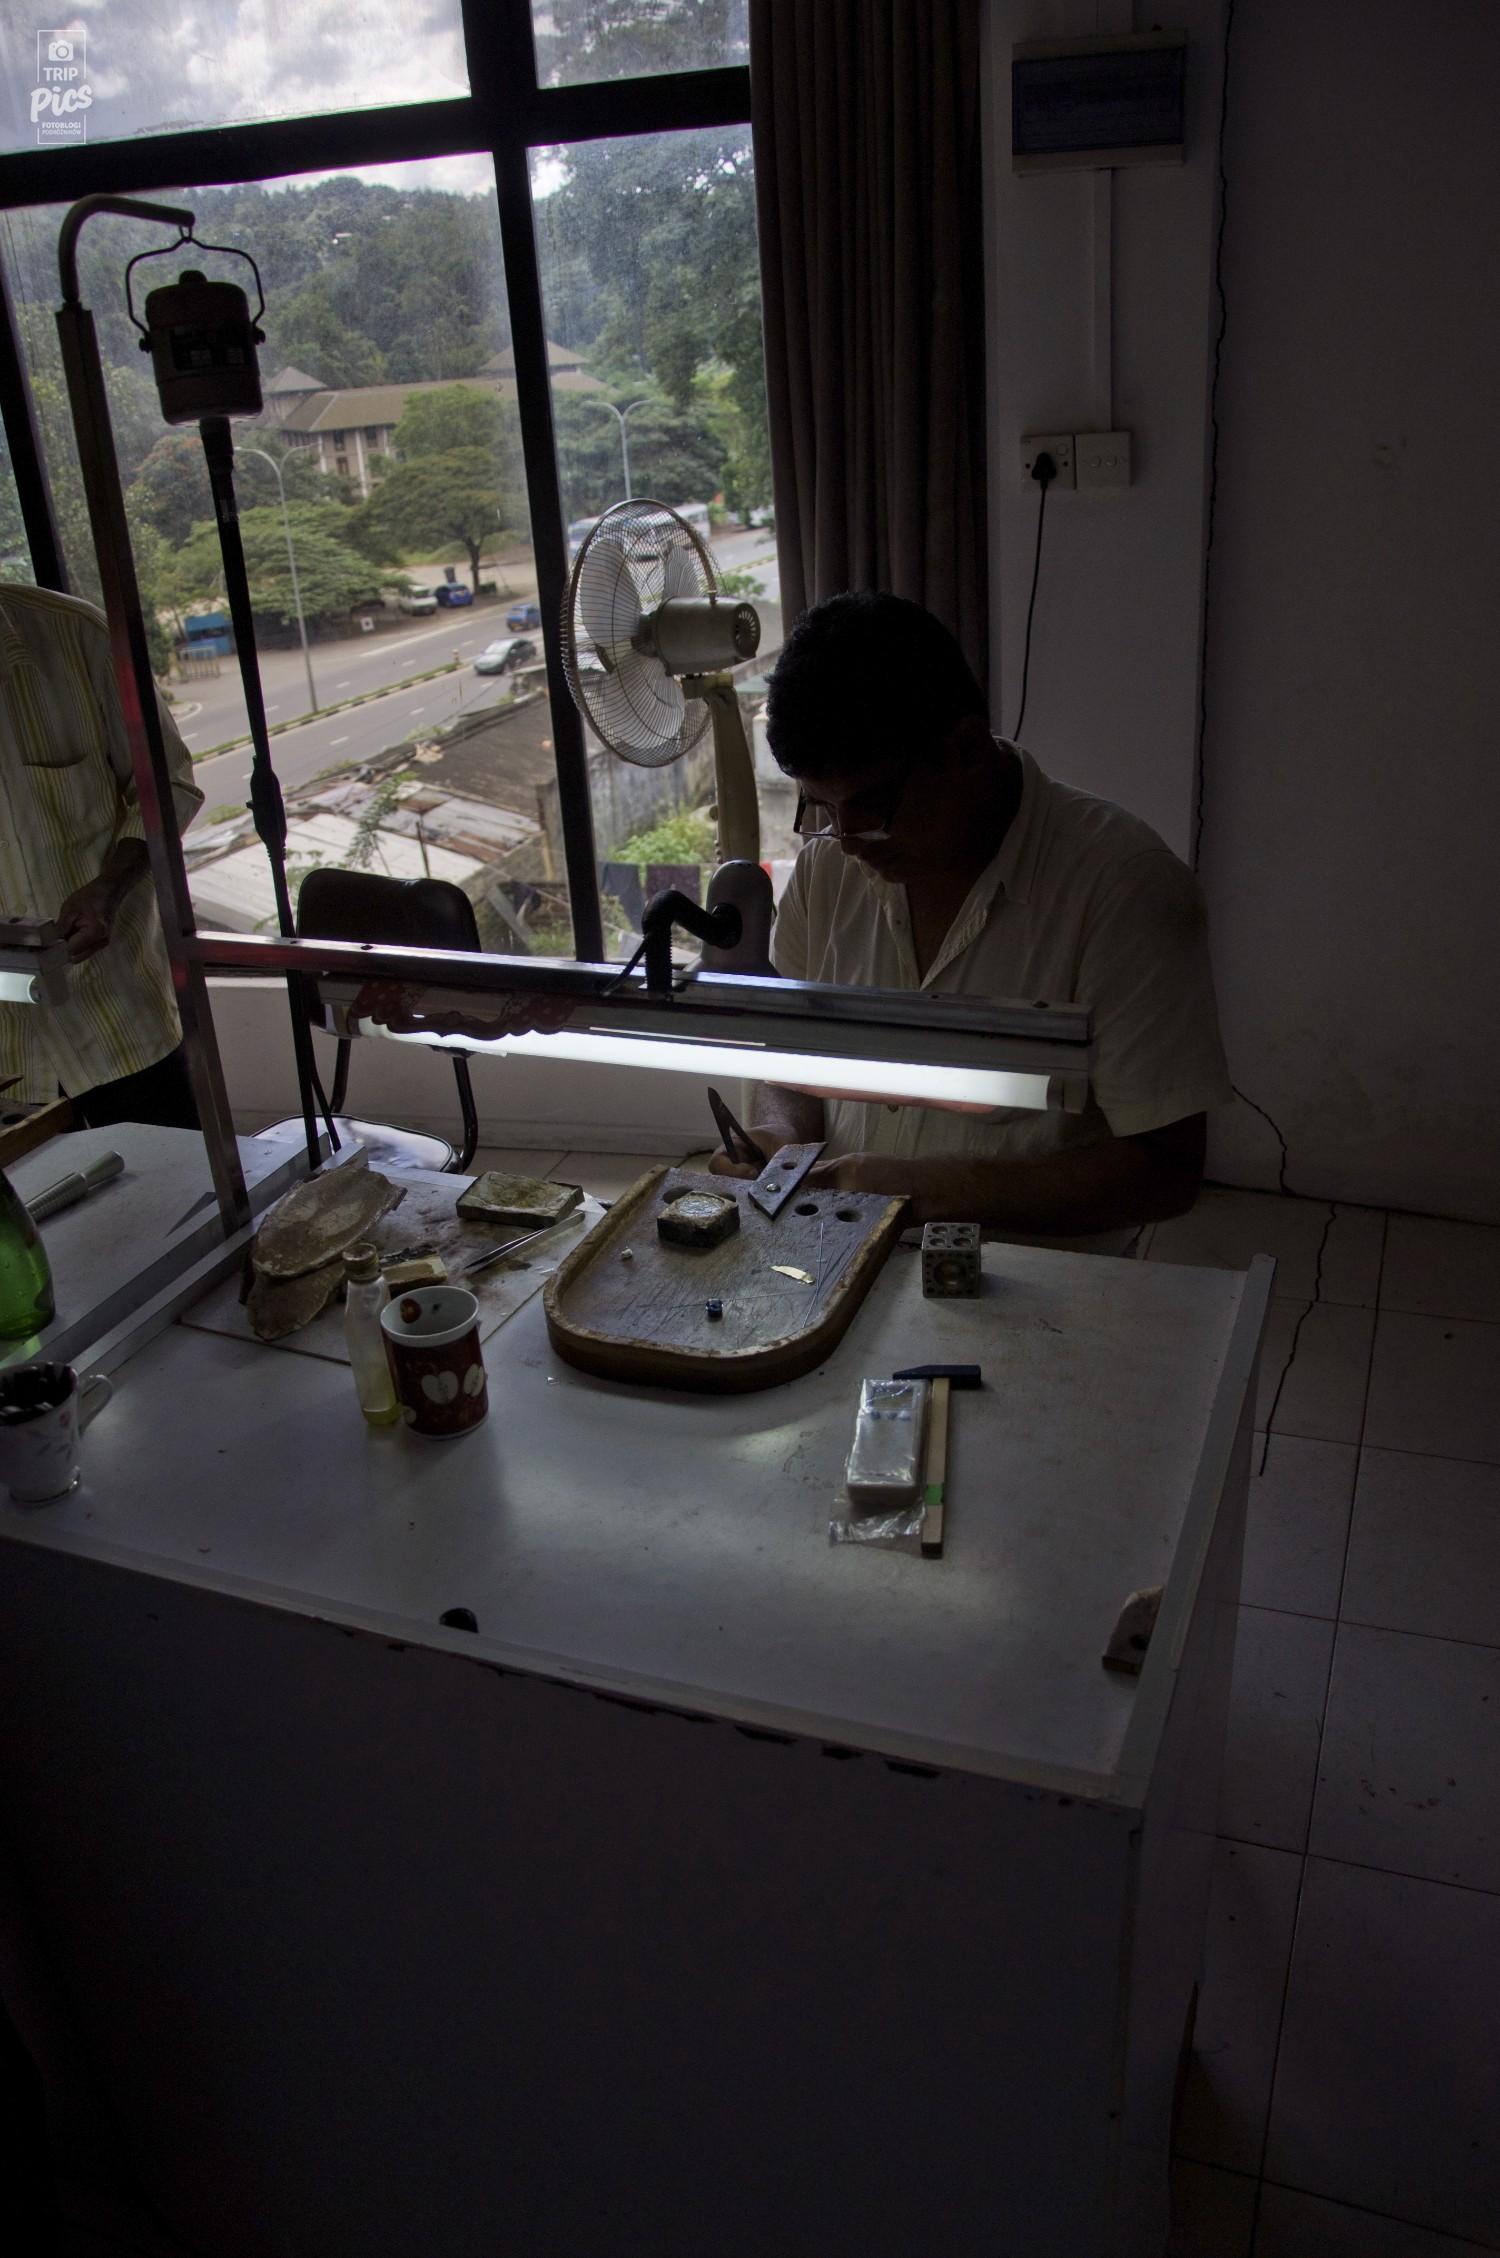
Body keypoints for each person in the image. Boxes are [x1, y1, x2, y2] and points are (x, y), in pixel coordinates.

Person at [709, 590, 1233, 1248]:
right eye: (820, 807)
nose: (846, 838)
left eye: (872, 806)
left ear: (962, 749)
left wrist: (925, 1192)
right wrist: (778, 1137)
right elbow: (793, 1067)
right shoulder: (827, 870)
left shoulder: (1124, 889)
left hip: (1029, 1283)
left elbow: (1165, 1173)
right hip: (837, 1254)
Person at [0, 582, 204, 1130]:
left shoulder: (76, 635)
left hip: (118, 1020)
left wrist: (107, 890)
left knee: (175, 1178)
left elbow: (167, 784)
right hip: (7, 1059)